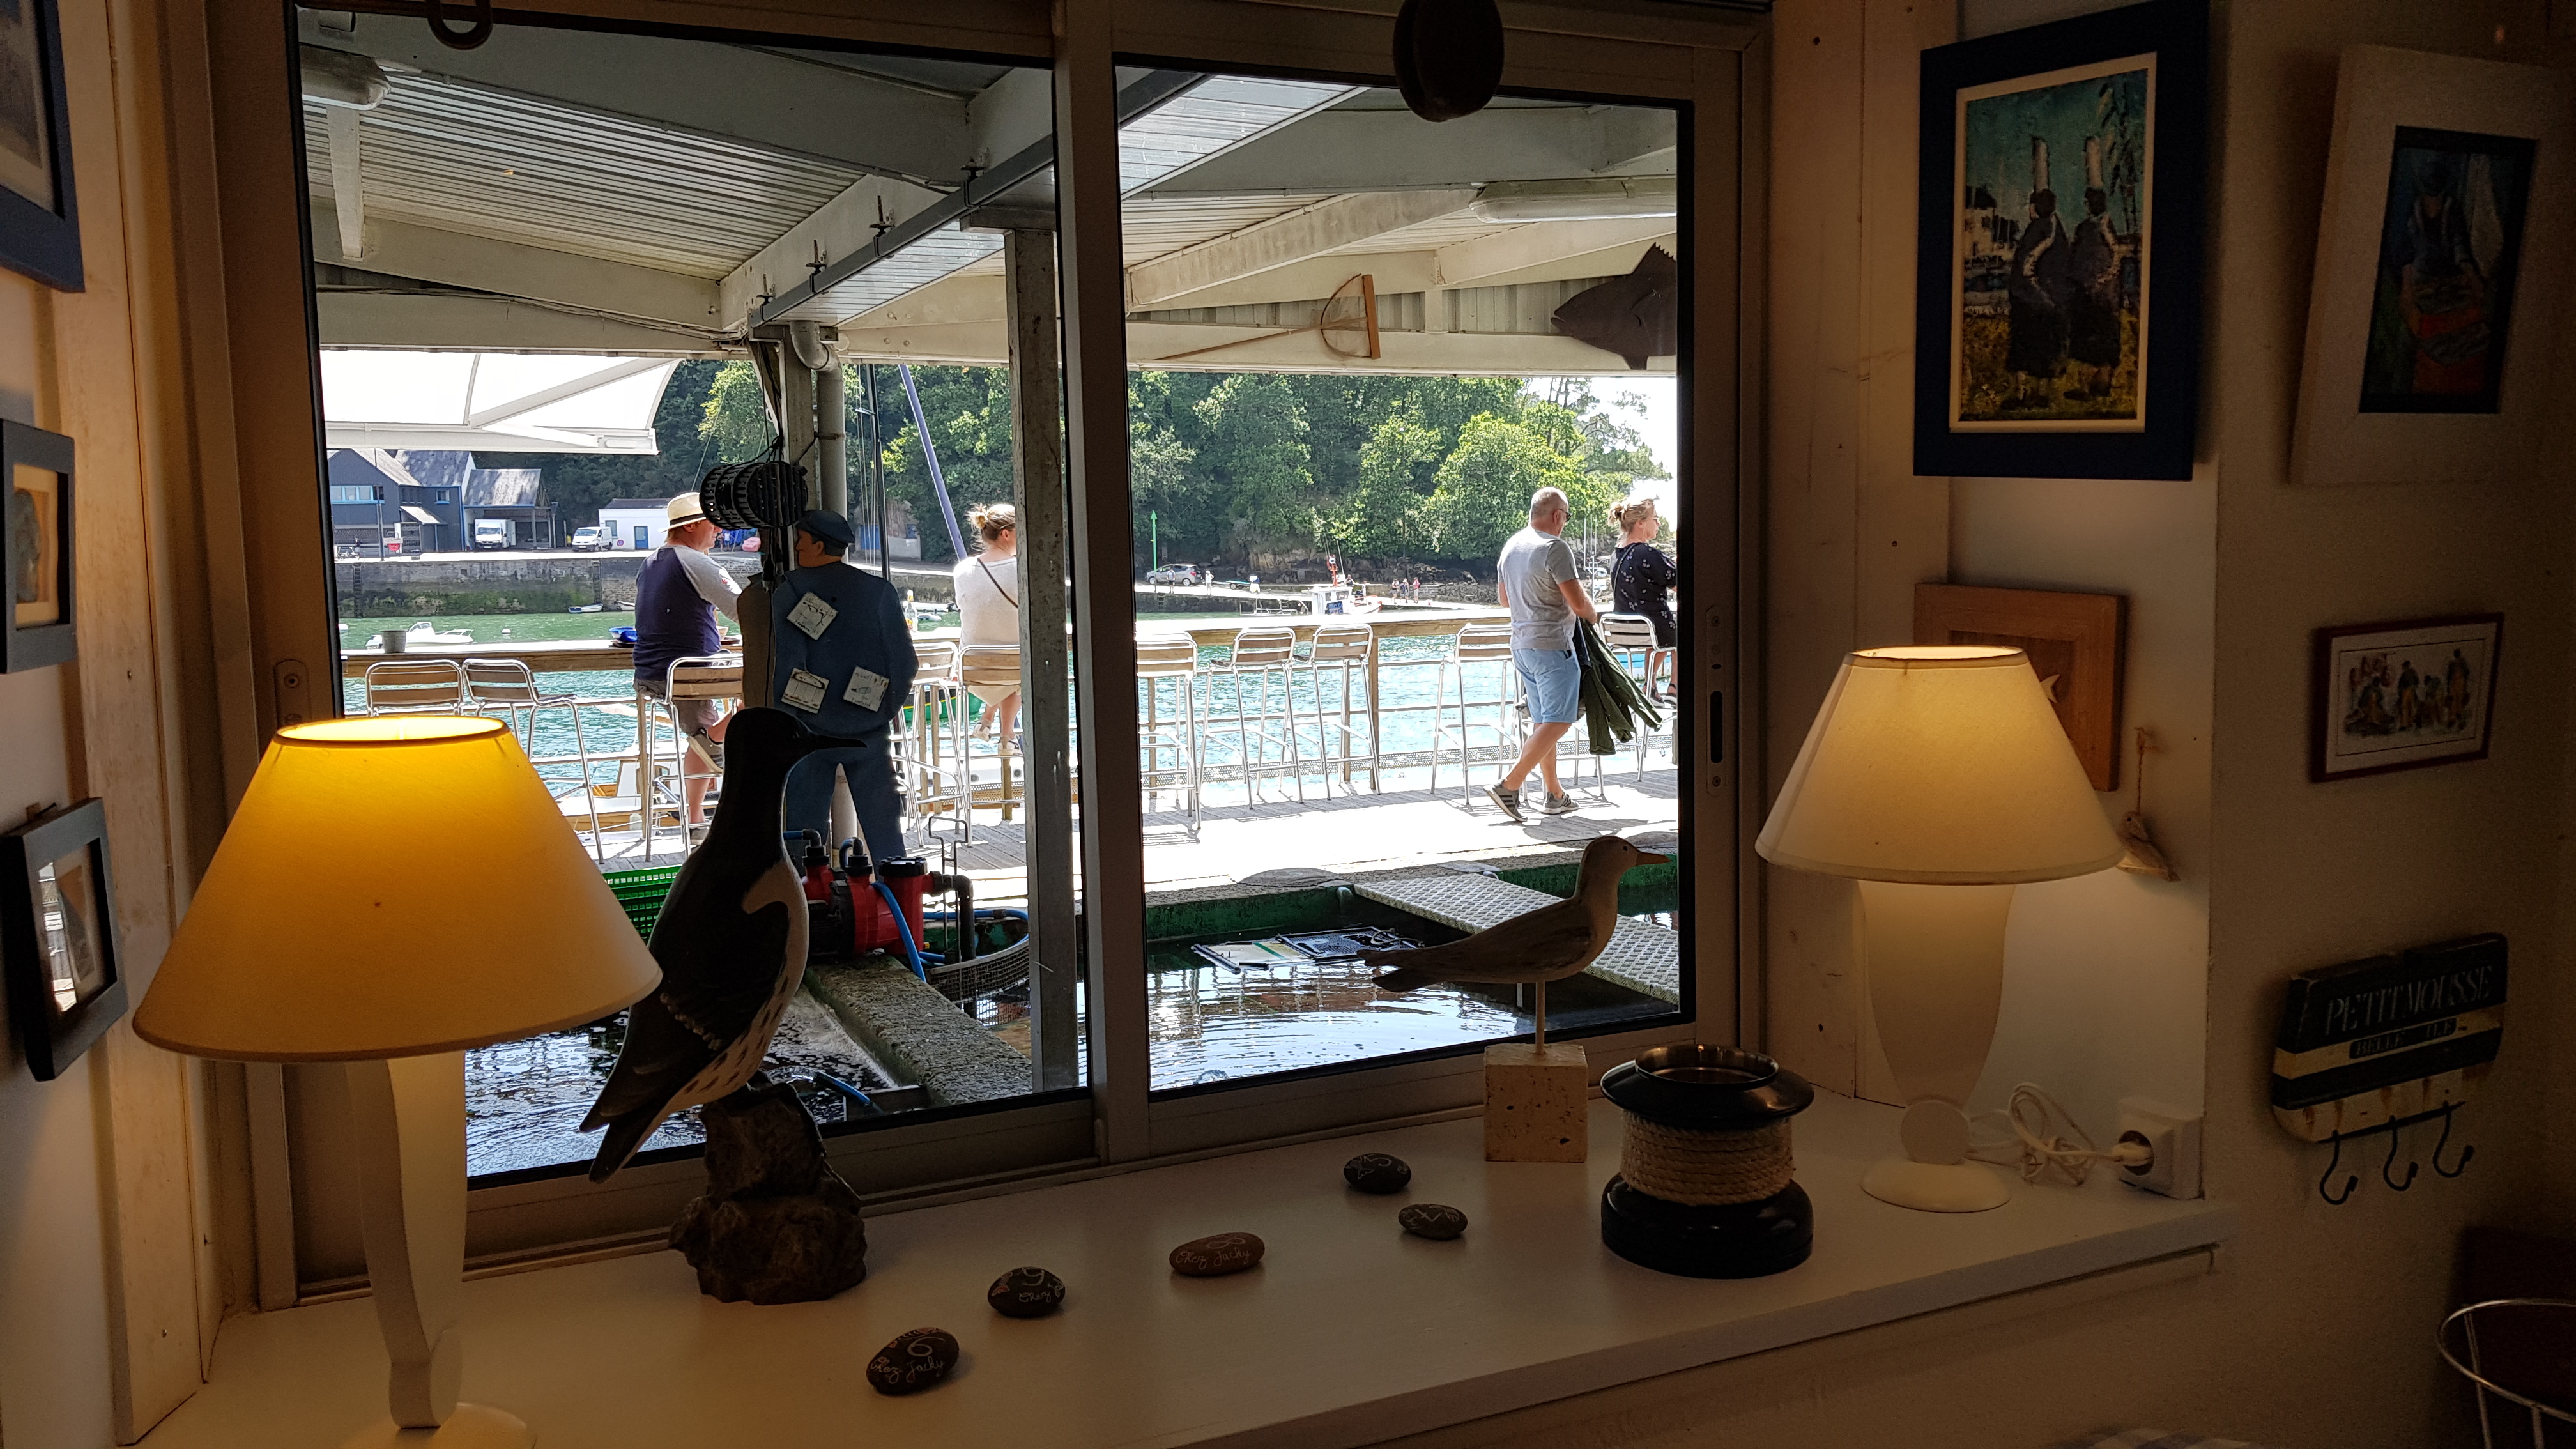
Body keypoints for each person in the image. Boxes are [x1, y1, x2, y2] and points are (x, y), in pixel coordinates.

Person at [772, 511, 916, 866]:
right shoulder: (879, 591)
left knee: (803, 833)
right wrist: (884, 710)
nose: (797, 548)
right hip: (868, 726)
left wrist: (791, 721)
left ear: (818, 546)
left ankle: (804, 890)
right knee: (884, 828)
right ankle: (899, 885)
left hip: (809, 731)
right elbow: (904, 662)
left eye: (801, 541)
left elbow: (788, 664)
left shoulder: (790, 590)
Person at [1487, 487, 1597, 822]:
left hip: (1521, 645)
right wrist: (1594, 616)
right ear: (1558, 515)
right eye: (1567, 517)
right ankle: (1510, 785)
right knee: (1559, 720)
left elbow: (1504, 600)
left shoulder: (1511, 546)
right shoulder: (1554, 548)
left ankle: (1554, 794)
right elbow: (1579, 603)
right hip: (1553, 645)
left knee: (1543, 721)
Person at [632, 491, 740, 829]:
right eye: (713, 523)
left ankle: (696, 814)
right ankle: (715, 745)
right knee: (767, 686)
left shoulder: (651, 562)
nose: (720, 530)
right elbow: (744, 610)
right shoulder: (696, 562)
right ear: (691, 526)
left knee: (701, 733)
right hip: (686, 674)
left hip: (650, 671)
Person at [953, 503, 1022, 745]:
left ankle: (989, 721)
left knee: (1003, 669)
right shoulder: (1021, 570)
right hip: (1012, 665)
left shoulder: (962, 570)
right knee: (1016, 668)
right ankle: (1006, 736)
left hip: (973, 666)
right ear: (1006, 534)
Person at [2007, 187, 2070, 405]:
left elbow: (2025, 267)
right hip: (2049, 301)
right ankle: (2041, 394)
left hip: (2030, 299)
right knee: (2044, 349)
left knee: (2023, 348)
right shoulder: (2057, 230)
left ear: (2035, 207)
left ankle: (2021, 394)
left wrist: (2032, 290)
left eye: (2031, 205)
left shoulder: (2037, 229)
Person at [2066, 186, 2122, 401]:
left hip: (2102, 294)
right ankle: (2087, 387)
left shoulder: (2104, 224)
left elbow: (2116, 254)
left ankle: (2101, 386)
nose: (2086, 205)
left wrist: (2103, 278)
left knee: (2102, 337)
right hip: (2085, 289)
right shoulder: (2084, 226)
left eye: (2088, 202)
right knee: (2086, 338)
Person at [1607, 496, 1677, 647]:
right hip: (1654, 630)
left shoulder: (1616, 555)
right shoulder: (1647, 554)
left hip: (1623, 629)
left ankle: (1652, 665)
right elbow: (1679, 583)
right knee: (1684, 632)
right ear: (1640, 523)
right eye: (1655, 519)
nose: (1659, 523)